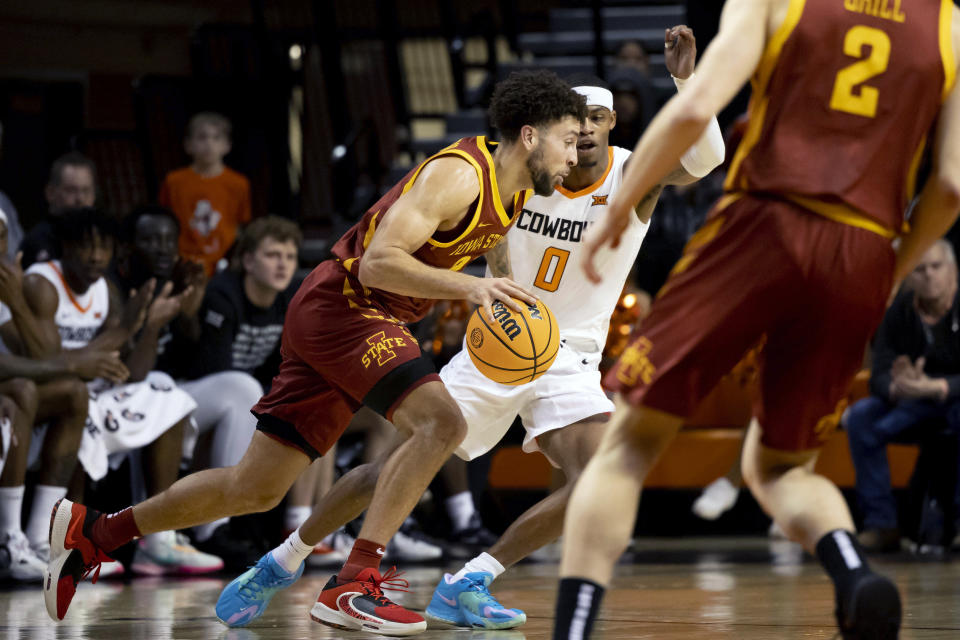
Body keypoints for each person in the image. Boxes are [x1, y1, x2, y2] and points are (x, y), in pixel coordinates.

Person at [45, 70, 585, 635]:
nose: (576, 154)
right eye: (569, 139)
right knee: (442, 423)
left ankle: (95, 532)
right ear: (530, 135)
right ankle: (355, 582)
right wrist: (471, 288)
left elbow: (489, 234)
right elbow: (378, 262)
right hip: (348, 305)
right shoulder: (457, 176)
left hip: (357, 318)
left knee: (253, 489)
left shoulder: (518, 186)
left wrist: (500, 289)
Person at [554, 0, 960, 638]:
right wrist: (892, 270)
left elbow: (693, 111)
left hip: (763, 222)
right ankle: (855, 576)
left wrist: (620, 205)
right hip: (862, 248)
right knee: (781, 468)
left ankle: (571, 631)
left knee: (628, 446)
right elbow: (950, 188)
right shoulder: (949, 24)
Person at [423, 28, 724, 629]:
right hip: (503, 340)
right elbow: (491, 225)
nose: (586, 128)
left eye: (598, 117)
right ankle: (295, 553)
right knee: (401, 456)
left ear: (613, 124)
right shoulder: (534, 167)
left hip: (571, 357)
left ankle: (471, 578)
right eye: (575, 118)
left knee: (598, 483)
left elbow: (707, 158)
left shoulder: (633, 175)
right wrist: (500, 280)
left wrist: (687, 82)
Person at [23, 208, 221, 579]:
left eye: (103, 248)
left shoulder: (106, 290)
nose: (96, 257)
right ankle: (67, 541)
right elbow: (39, 359)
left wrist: (150, 327)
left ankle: (158, 539)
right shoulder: (42, 283)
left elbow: (133, 373)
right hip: (46, 397)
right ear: (65, 248)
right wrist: (90, 359)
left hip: (93, 391)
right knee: (77, 404)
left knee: (169, 396)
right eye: (87, 248)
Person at [111, 205, 264, 568]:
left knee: (243, 387)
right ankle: (152, 535)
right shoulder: (116, 287)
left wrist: (189, 316)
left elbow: (201, 366)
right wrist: (150, 325)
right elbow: (130, 373)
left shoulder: (178, 281)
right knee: (159, 385)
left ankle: (214, 528)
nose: (163, 248)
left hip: (172, 395)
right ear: (129, 247)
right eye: (150, 240)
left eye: (169, 239)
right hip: (119, 397)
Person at [0, 208, 128, 581]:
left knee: (74, 395)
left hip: (21, 394)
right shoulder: (35, 284)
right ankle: (9, 538)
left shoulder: (10, 283)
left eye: (0, 237)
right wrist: (74, 364)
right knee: (26, 389)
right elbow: (32, 361)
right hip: (15, 393)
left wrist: (137, 322)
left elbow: (35, 357)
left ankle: (42, 538)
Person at [846, 239, 960, 552]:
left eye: (936, 267)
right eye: (920, 269)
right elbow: (879, 373)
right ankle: (881, 525)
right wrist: (897, 386)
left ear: (953, 271)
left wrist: (939, 387)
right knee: (861, 418)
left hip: (952, 402)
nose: (929, 276)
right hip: (911, 405)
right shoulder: (899, 312)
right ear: (909, 276)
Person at [159, 112, 252, 276]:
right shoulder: (173, 181)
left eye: (216, 138)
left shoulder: (238, 183)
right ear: (188, 145)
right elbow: (165, 221)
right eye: (202, 137)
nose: (209, 143)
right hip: (183, 262)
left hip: (223, 264)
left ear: (227, 145)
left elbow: (241, 225)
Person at [19, 152, 98, 269]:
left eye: (86, 190)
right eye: (71, 190)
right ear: (50, 193)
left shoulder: (101, 242)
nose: (80, 199)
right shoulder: (36, 242)